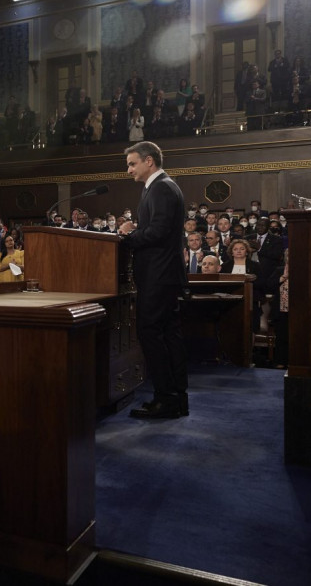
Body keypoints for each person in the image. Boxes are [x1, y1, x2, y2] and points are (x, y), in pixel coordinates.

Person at [119, 141, 188, 419]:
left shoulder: (161, 187)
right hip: (162, 274)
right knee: (168, 334)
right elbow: (159, 228)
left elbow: (159, 231)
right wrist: (137, 230)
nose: (129, 170)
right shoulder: (159, 187)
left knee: (151, 332)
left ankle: (167, 398)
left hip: (159, 275)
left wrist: (128, 237)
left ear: (149, 161)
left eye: (132, 163)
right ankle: (173, 399)